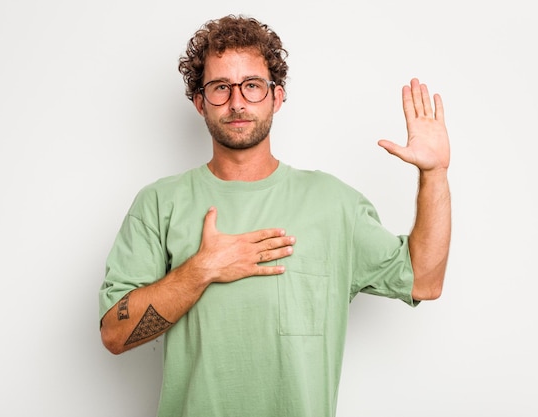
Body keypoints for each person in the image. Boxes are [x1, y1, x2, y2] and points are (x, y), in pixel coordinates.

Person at [99, 14, 451, 417]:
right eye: (219, 88)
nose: (236, 102)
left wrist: (435, 174)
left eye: (252, 86)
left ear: (276, 97)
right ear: (199, 102)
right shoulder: (159, 203)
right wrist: (201, 270)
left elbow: (424, 281)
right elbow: (115, 332)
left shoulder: (332, 204)